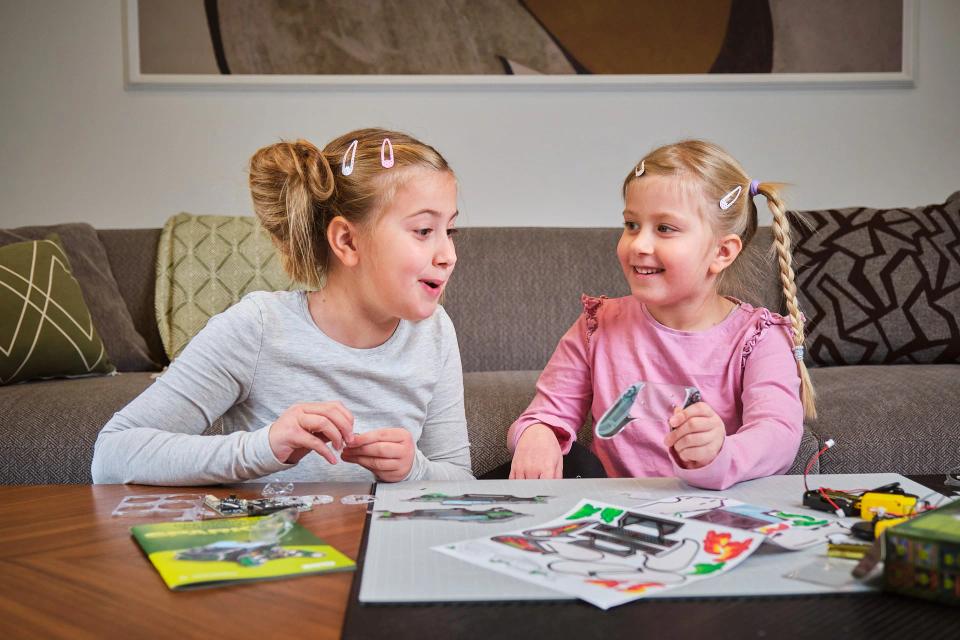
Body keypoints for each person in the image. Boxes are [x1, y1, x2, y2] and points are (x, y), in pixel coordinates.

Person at [92, 128, 473, 485]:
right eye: (424, 231)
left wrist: (413, 470)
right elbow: (111, 455)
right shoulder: (257, 328)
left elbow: (460, 480)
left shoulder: (434, 331)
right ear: (347, 241)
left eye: (449, 230)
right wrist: (265, 447)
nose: (448, 255)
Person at [507, 139, 816, 490]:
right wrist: (538, 433)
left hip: (713, 508)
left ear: (722, 252)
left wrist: (721, 451)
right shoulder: (598, 324)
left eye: (665, 229)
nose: (638, 244)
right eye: (632, 225)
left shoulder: (759, 337)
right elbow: (548, 411)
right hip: (610, 513)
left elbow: (778, 434)